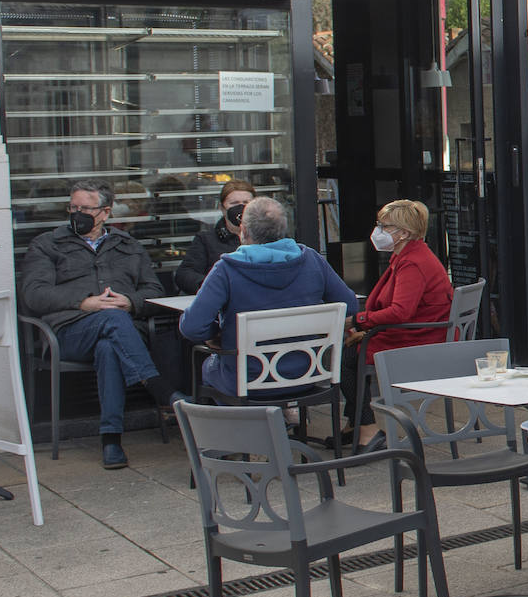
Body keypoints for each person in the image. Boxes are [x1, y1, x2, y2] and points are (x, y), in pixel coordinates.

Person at [20, 179, 186, 470]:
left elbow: (155, 292)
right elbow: (34, 293)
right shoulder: (47, 244)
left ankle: (111, 440)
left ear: (106, 212)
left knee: (110, 345)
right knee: (110, 319)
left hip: (121, 331)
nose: (76, 214)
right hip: (70, 332)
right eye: (72, 207)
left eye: (85, 208)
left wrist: (130, 301)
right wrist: (84, 302)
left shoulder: (129, 247)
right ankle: (160, 389)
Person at [179, 197, 358, 422]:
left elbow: (192, 327)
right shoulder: (311, 259)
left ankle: (248, 436)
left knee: (209, 366)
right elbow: (349, 306)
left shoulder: (227, 268)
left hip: (250, 378)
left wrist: (216, 336)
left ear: (242, 230)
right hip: (307, 373)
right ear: (284, 228)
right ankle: (273, 426)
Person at [341, 199, 454, 452]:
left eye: (384, 226)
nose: (378, 231)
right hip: (419, 333)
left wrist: (360, 320)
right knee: (347, 355)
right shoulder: (410, 255)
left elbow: (400, 311)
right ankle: (357, 422)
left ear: (403, 232)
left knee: (346, 360)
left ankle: (367, 429)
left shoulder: (412, 262)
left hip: (417, 339)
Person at [172, 179, 254, 294]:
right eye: (234, 203)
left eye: (246, 203)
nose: (241, 207)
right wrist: (214, 285)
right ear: (222, 208)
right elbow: (184, 275)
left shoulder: (268, 236)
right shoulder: (206, 240)